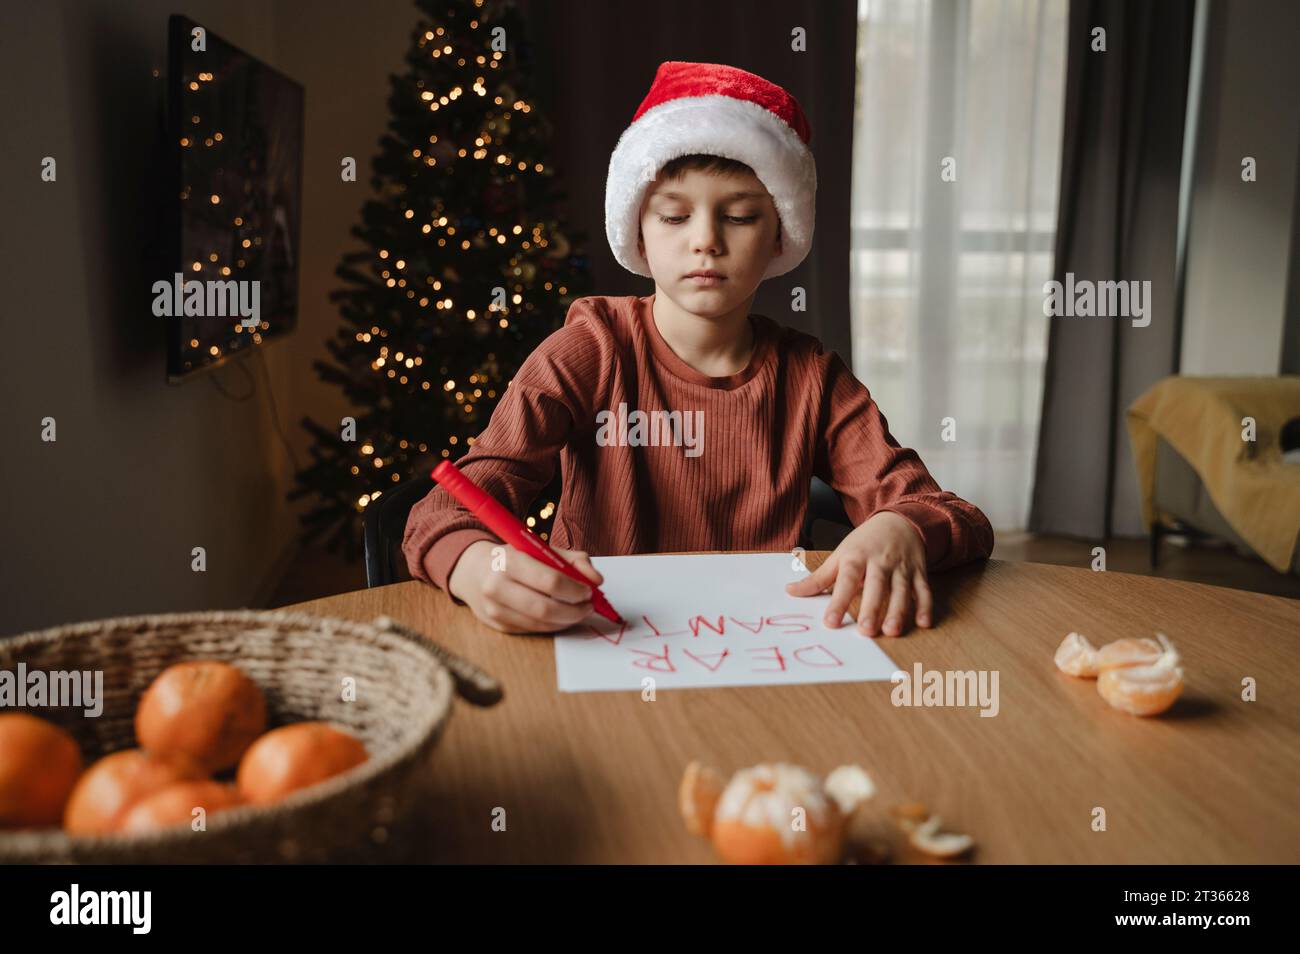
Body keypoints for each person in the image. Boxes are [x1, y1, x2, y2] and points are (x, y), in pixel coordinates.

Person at [402, 61, 994, 636]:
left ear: (779, 236)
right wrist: (480, 567)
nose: (705, 241)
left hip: (763, 646)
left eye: (738, 217)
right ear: (638, 230)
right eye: (674, 216)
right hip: (602, 642)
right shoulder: (585, 353)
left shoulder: (812, 376)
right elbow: (443, 512)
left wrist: (903, 528)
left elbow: (955, 515)